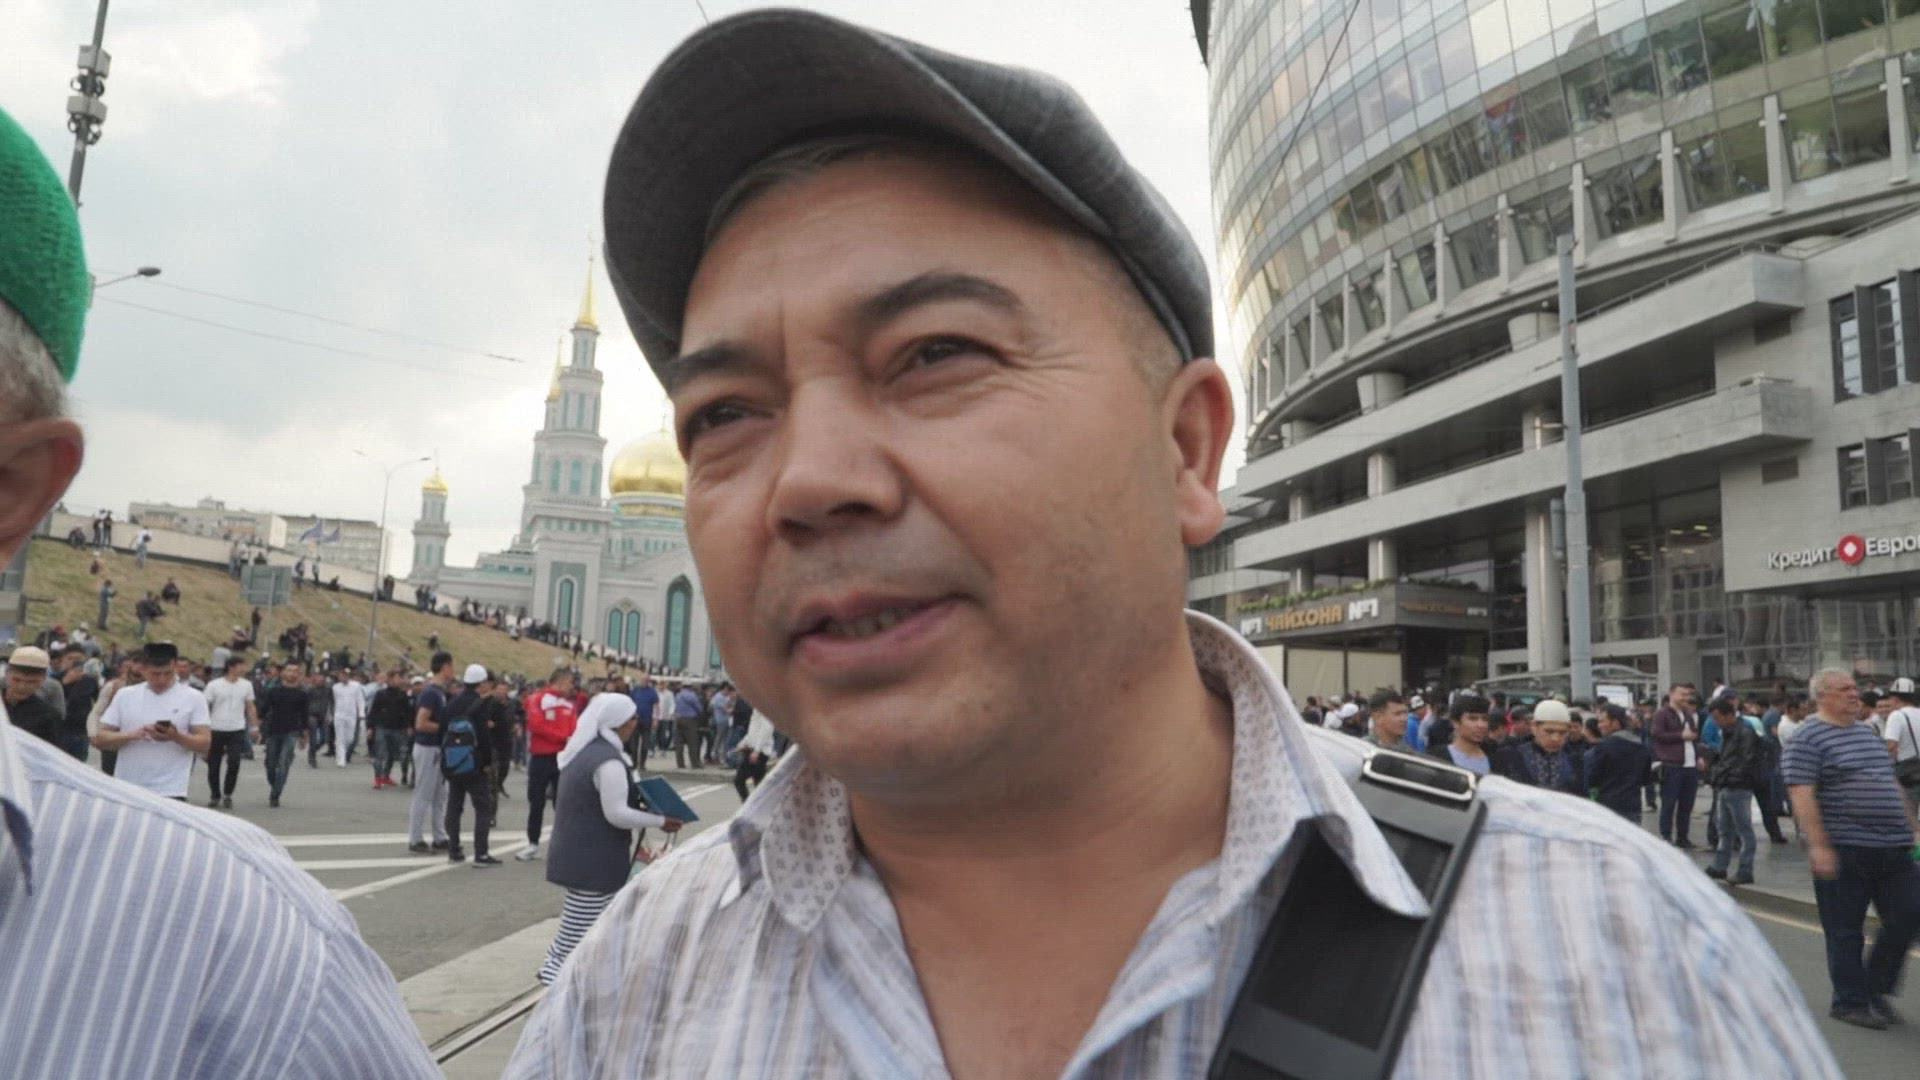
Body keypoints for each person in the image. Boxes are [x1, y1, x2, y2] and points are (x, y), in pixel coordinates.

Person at [502, 15, 1839, 1077]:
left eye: (935, 355)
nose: (810, 481)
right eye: (726, 415)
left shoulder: (1630, 972)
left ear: (1189, 451)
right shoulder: (633, 993)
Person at [1784, 669, 1920, 1030]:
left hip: (1893, 846)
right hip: (1845, 845)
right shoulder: (1807, 738)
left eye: (1855, 688)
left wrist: (1914, 829)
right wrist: (1819, 846)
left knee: (1909, 915)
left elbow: (1890, 783)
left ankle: (1874, 986)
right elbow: (1801, 793)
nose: (1855, 694)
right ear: (1822, 696)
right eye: (1845, 689)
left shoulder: (1867, 733)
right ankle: (1849, 1002)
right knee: (1845, 930)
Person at [537, 694, 680, 985]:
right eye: (632, 718)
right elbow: (616, 814)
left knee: (589, 923)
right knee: (578, 931)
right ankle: (556, 982)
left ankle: (573, 979)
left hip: (581, 853)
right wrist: (660, 821)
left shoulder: (585, 752)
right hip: (593, 858)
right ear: (620, 723)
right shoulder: (608, 761)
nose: (635, 723)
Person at [91, 641, 211, 800]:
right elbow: (100, 739)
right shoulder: (125, 695)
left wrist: (175, 736)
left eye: (168, 673)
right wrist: (131, 735)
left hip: (171, 788)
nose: (162, 680)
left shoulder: (194, 697)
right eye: (155, 674)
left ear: (175, 666)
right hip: (127, 786)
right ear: (143, 669)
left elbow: (204, 743)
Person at [517, 668, 580, 862]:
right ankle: (532, 844)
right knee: (536, 801)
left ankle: (564, 845)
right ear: (560, 681)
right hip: (541, 758)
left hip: (562, 759)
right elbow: (536, 725)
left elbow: (574, 730)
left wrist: (569, 741)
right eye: (570, 682)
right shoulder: (537, 699)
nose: (572, 687)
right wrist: (562, 738)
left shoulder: (569, 705)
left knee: (562, 803)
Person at [442, 664, 501, 866]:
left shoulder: (452, 703)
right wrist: (487, 762)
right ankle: (481, 853)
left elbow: (443, 731)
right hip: (474, 764)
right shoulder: (480, 704)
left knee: (454, 806)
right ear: (481, 683)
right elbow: (484, 737)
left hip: (453, 762)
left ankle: (453, 849)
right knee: (483, 807)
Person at [408, 652, 456, 853]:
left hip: (436, 747)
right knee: (424, 793)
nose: (453, 670)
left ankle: (439, 835)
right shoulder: (431, 693)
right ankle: (416, 838)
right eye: (451, 666)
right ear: (444, 667)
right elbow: (421, 723)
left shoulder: (439, 692)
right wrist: (446, 728)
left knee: (439, 794)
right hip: (428, 747)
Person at [203, 654, 258, 809]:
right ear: (231, 667)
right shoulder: (214, 685)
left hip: (237, 729)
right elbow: (205, 706)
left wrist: (254, 726)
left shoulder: (246, 685)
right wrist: (203, 727)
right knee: (214, 764)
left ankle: (228, 793)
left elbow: (250, 707)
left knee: (234, 762)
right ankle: (215, 794)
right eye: (241, 666)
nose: (244, 669)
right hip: (216, 728)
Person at [1495, 699, 1583, 796]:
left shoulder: (1575, 761)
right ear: (1534, 727)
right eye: (1549, 732)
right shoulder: (1511, 757)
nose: (1555, 738)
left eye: (1562, 733)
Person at [1652, 683, 1703, 848]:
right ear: (1672, 694)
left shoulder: (1688, 714)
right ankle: (1666, 836)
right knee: (1669, 802)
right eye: (1682, 694)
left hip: (1690, 764)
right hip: (1671, 764)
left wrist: (1698, 756)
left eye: (1687, 695)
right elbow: (1657, 734)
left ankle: (1683, 837)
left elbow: (1694, 736)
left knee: (1687, 804)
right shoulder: (1662, 714)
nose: (1685, 698)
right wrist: (1680, 736)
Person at [1586, 704, 1653, 821]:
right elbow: (1646, 779)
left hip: (1608, 807)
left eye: (1602, 721)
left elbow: (1592, 778)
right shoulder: (1641, 747)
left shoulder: (1603, 747)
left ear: (1616, 723)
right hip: (1633, 807)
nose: (1599, 725)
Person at [261, 660, 310, 807]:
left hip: (292, 731)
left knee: (283, 763)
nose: (292, 673)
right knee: (270, 764)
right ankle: (275, 784)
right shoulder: (273, 691)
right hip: (274, 730)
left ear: (299, 675)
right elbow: (263, 711)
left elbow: (304, 716)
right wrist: (257, 728)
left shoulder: (302, 694)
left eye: (295, 671)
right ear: (283, 673)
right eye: (289, 670)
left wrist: (304, 735)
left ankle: (275, 794)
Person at [1, 647, 61, 748]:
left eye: (31, 682)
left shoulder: (48, 717)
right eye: (16, 680)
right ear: (7, 675)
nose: (22, 687)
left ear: (43, 680)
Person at [368, 668, 414, 789]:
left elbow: (407, 712)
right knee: (380, 753)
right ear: (390, 679)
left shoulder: (403, 694)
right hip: (382, 727)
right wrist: (370, 727)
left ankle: (386, 776)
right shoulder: (381, 694)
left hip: (397, 728)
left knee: (393, 754)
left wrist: (408, 726)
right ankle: (378, 778)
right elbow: (374, 711)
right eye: (398, 678)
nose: (400, 680)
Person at [1427, 696, 1492, 776]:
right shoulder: (1436, 757)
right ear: (1455, 722)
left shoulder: (1495, 757)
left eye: (1485, 719)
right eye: (1473, 719)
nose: (1480, 725)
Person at [732, 706, 780, 800]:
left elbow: (766, 732)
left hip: (759, 751)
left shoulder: (765, 710)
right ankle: (759, 804)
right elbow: (752, 732)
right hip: (753, 750)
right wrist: (743, 743)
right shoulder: (756, 710)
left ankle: (748, 803)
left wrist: (756, 751)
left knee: (739, 780)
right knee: (758, 782)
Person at [330, 667, 366, 768]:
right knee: (340, 737)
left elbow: (360, 700)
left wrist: (361, 713)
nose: (343, 677)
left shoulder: (356, 686)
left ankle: (342, 751)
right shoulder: (335, 687)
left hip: (351, 715)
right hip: (339, 715)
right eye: (342, 675)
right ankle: (341, 759)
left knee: (350, 738)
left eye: (345, 675)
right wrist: (332, 714)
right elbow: (334, 701)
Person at [626, 670, 659, 770]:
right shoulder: (635, 690)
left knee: (645, 744)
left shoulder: (652, 692)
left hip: (647, 720)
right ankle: (634, 763)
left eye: (646, 680)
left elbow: (656, 706)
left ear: (649, 681)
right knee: (634, 744)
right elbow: (630, 703)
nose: (644, 682)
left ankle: (642, 764)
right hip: (635, 720)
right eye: (643, 680)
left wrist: (655, 719)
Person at [673, 680, 703, 770]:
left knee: (679, 743)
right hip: (690, 720)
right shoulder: (692, 695)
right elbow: (699, 708)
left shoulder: (678, 695)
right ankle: (694, 763)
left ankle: (680, 763)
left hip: (678, 719)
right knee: (692, 742)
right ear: (690, 687)